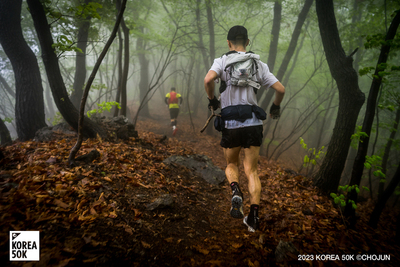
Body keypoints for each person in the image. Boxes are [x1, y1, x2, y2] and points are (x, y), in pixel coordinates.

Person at [204, 25, 285, 232]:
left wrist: (213, 101)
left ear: (229, 43)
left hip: (231, 124)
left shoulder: (222, 61)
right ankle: (254, 218)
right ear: (247, 42)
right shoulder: (258, 64)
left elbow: (208, 80)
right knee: (252, 171)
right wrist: (275, 107)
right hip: (253, 123)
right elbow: (280, 89)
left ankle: (235, 190)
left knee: (232, 165)